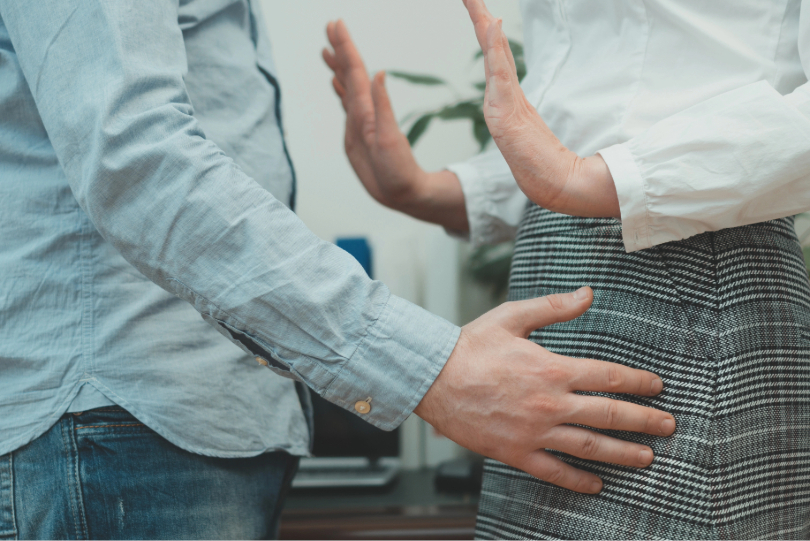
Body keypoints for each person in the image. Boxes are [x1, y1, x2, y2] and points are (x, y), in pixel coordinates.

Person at [0, 0, 679, 539]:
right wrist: (437, 370)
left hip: (172, 425)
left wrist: (419, 189)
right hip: (124, 423)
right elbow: (135, 160)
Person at [323, 0, 810, 538]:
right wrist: (430, 191)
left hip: (689, 281)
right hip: (551, 267)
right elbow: (582, 121)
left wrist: (592, 180)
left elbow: (598, 165)